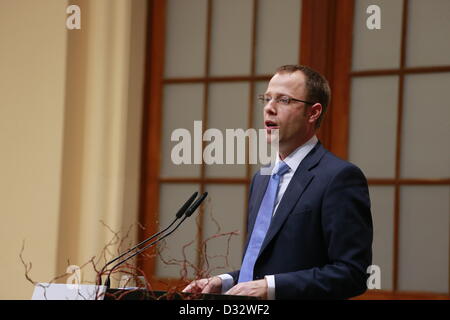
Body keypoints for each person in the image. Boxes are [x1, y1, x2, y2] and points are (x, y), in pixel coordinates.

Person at [183, 65, 373, 299]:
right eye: (267, 99)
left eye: (283, 100)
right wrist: (224, 281)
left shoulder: (339, 178)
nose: (269, 109)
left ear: (313, 113)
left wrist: (270, 288)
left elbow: (352, 274)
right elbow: (267, 267)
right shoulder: (262, 178)